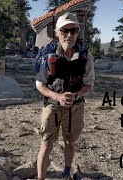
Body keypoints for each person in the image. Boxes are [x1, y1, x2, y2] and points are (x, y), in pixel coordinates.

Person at [35, 12, 95, 179]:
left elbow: (89, 84)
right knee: (46, 143)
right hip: (52, 107)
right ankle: (41, 177)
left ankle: (67, 172)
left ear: (78, 32)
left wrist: (75, 95)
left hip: (75, 107)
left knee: (70, 141)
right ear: (57, 32)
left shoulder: (85, 56)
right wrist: (58, 96)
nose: (69, 35)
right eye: (64, 30)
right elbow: (40, 84)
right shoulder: (47, 55)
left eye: (73, 30)